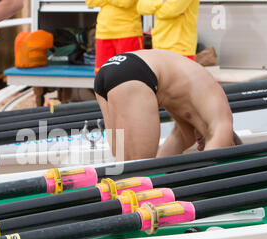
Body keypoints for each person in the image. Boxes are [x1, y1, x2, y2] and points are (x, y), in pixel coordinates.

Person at [94, 49, 235, 161]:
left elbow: (164, 161)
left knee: (121, 161)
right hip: (135, 73)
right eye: (202, 146)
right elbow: (211, 169)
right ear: (231, 143)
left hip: (113, 67)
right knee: (137, 169)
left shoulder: (190, 123)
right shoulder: (223, 124)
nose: (200, 147)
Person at [85, 0, 144, 74]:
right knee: (103, 73)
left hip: (128, 32)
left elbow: (126, 2)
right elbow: (90, 2)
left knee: (130, 73)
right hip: (104, 32)